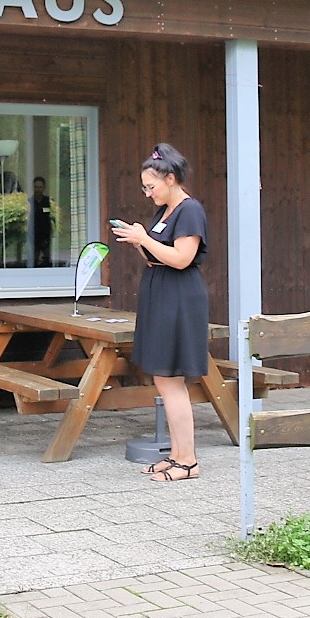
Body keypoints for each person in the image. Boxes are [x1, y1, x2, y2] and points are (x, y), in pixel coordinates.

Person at [112, 142, 208, 482]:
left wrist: (145, 239)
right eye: (144, 187)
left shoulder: (189, 210)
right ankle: (177, 455)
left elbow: (182, 259)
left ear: (170, 179)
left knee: (171, 379)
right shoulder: (165, 211)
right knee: (164, 380)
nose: (148, 193)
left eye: (150, 186)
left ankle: (188, 461)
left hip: (179, 297)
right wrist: (138, 240)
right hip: (161, 291)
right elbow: (157, 256)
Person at [29, 176, 56, 267]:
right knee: (34, 260)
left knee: (47, 260)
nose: (37, 190)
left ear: (44, 188)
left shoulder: (48, 201)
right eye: (35, 187)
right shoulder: (29, 202)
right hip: (34, 236)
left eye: (40, 187)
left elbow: (53, 217)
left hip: (46, 236)